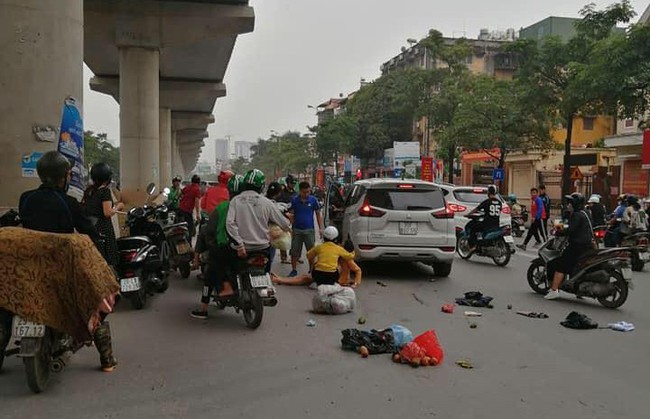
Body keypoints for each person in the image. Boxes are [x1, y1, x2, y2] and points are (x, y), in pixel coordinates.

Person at [13, 151, 117, 372]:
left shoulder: (26, 198)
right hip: (62, 272)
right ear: (64, 177)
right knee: (99, 299)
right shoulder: (69, 202)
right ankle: (107, 360)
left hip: (29, 270)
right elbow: (88, 232)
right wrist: (100, 257)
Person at [226, 169, 291, 287]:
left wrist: (240, 245)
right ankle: (267, 284)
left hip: (242, 249)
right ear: (261, 186)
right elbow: (285, 224)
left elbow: (230, 224)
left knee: (230, 268)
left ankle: (232, 288)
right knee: (266, 265)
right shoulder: (267, 203)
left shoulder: (235, 201)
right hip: (263, 247)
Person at [191, 175, 243, 319]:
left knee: (210, 273)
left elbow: (207, 219)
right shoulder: (250, 206)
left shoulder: (222, 205)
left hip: (225, 246)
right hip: (250, 247)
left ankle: (204, 308)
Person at [272, 227, 360, 287]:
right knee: (305, 278)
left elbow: (308, 255)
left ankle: (280, 280)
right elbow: (350, 256)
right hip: (332, 277)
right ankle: (280, 279)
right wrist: (352, 250)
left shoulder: (319, 247)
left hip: (318, 275)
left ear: (324, 237)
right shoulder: (339, 250)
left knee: (305, 278)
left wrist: (315, 264)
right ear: (336, 239)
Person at [544, 193, 594, 300]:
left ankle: (554, 291)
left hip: (577, 246)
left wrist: (557, 232)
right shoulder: (585, 213)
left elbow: (569, 229)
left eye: (570, 203)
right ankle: (578, 290)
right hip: (588, 245)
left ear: (575, 204)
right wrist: (564, 218)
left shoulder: (577, 215)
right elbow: (569, 225)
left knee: (560, 265)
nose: (568, 205)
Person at [82, 163, 123, 267]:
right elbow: (107, 212)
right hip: (103, 229)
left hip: (92, 229)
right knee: (108, 260)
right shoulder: (104, 191)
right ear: (108, 178)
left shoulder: (90, 191)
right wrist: (118, 206)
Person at [288, 181, 323, 277]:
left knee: (311, 252)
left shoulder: (313, 200)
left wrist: (320, 228)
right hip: (297, 230)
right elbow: (291, 214)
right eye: (304, 192)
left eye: (308, 191)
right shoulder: (294, 201)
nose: (306, 194)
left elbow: (318, 214)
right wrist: (289, 226)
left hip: (309, 230)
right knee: (294, 251)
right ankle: (294, 270)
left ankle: (311, 270)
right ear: (300, 191)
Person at [465, 185, 501, 251]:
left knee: (471, 227)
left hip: (487, 224)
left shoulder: (487, 202)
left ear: (488, 192)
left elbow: (477, 209)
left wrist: (469, 214)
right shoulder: (499, 203)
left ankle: (473, 246)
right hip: (496, 224)